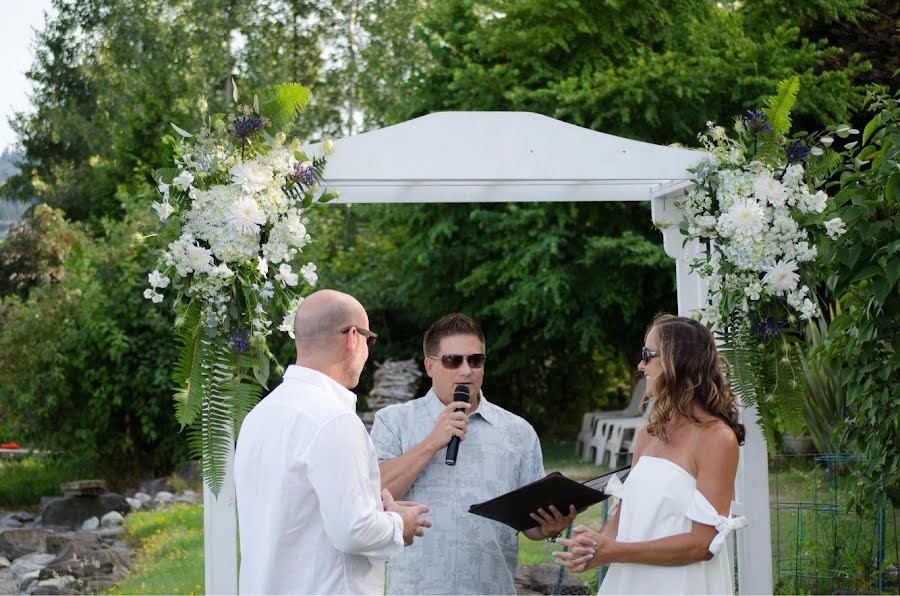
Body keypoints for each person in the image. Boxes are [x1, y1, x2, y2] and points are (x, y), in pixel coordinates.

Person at [234, 290, 431, 595]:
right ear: (353, 337)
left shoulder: (259, 416)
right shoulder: (333, 419)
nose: (368, 350)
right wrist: (398, 523)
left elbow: (296, 508)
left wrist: (372, 508)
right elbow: (352, 531)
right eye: (370, 339)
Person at [370, 313, 576, 595]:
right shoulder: (393, 421)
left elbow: (531, 527)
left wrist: (550, 527)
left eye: (475, 360)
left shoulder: (518, 431)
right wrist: (432, 442)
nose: (466, 370)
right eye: (453, 361)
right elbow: (375, 492)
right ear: (430, 366)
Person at [553, 314, 748, 594]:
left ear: (678, 360)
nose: (640, 365)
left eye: (648, 354)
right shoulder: (649, 433)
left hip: (682, 585)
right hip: (630, 581)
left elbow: (703, 544)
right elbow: (624, 514)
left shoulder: (717, 439)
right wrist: (596, 544)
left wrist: (615, 551)